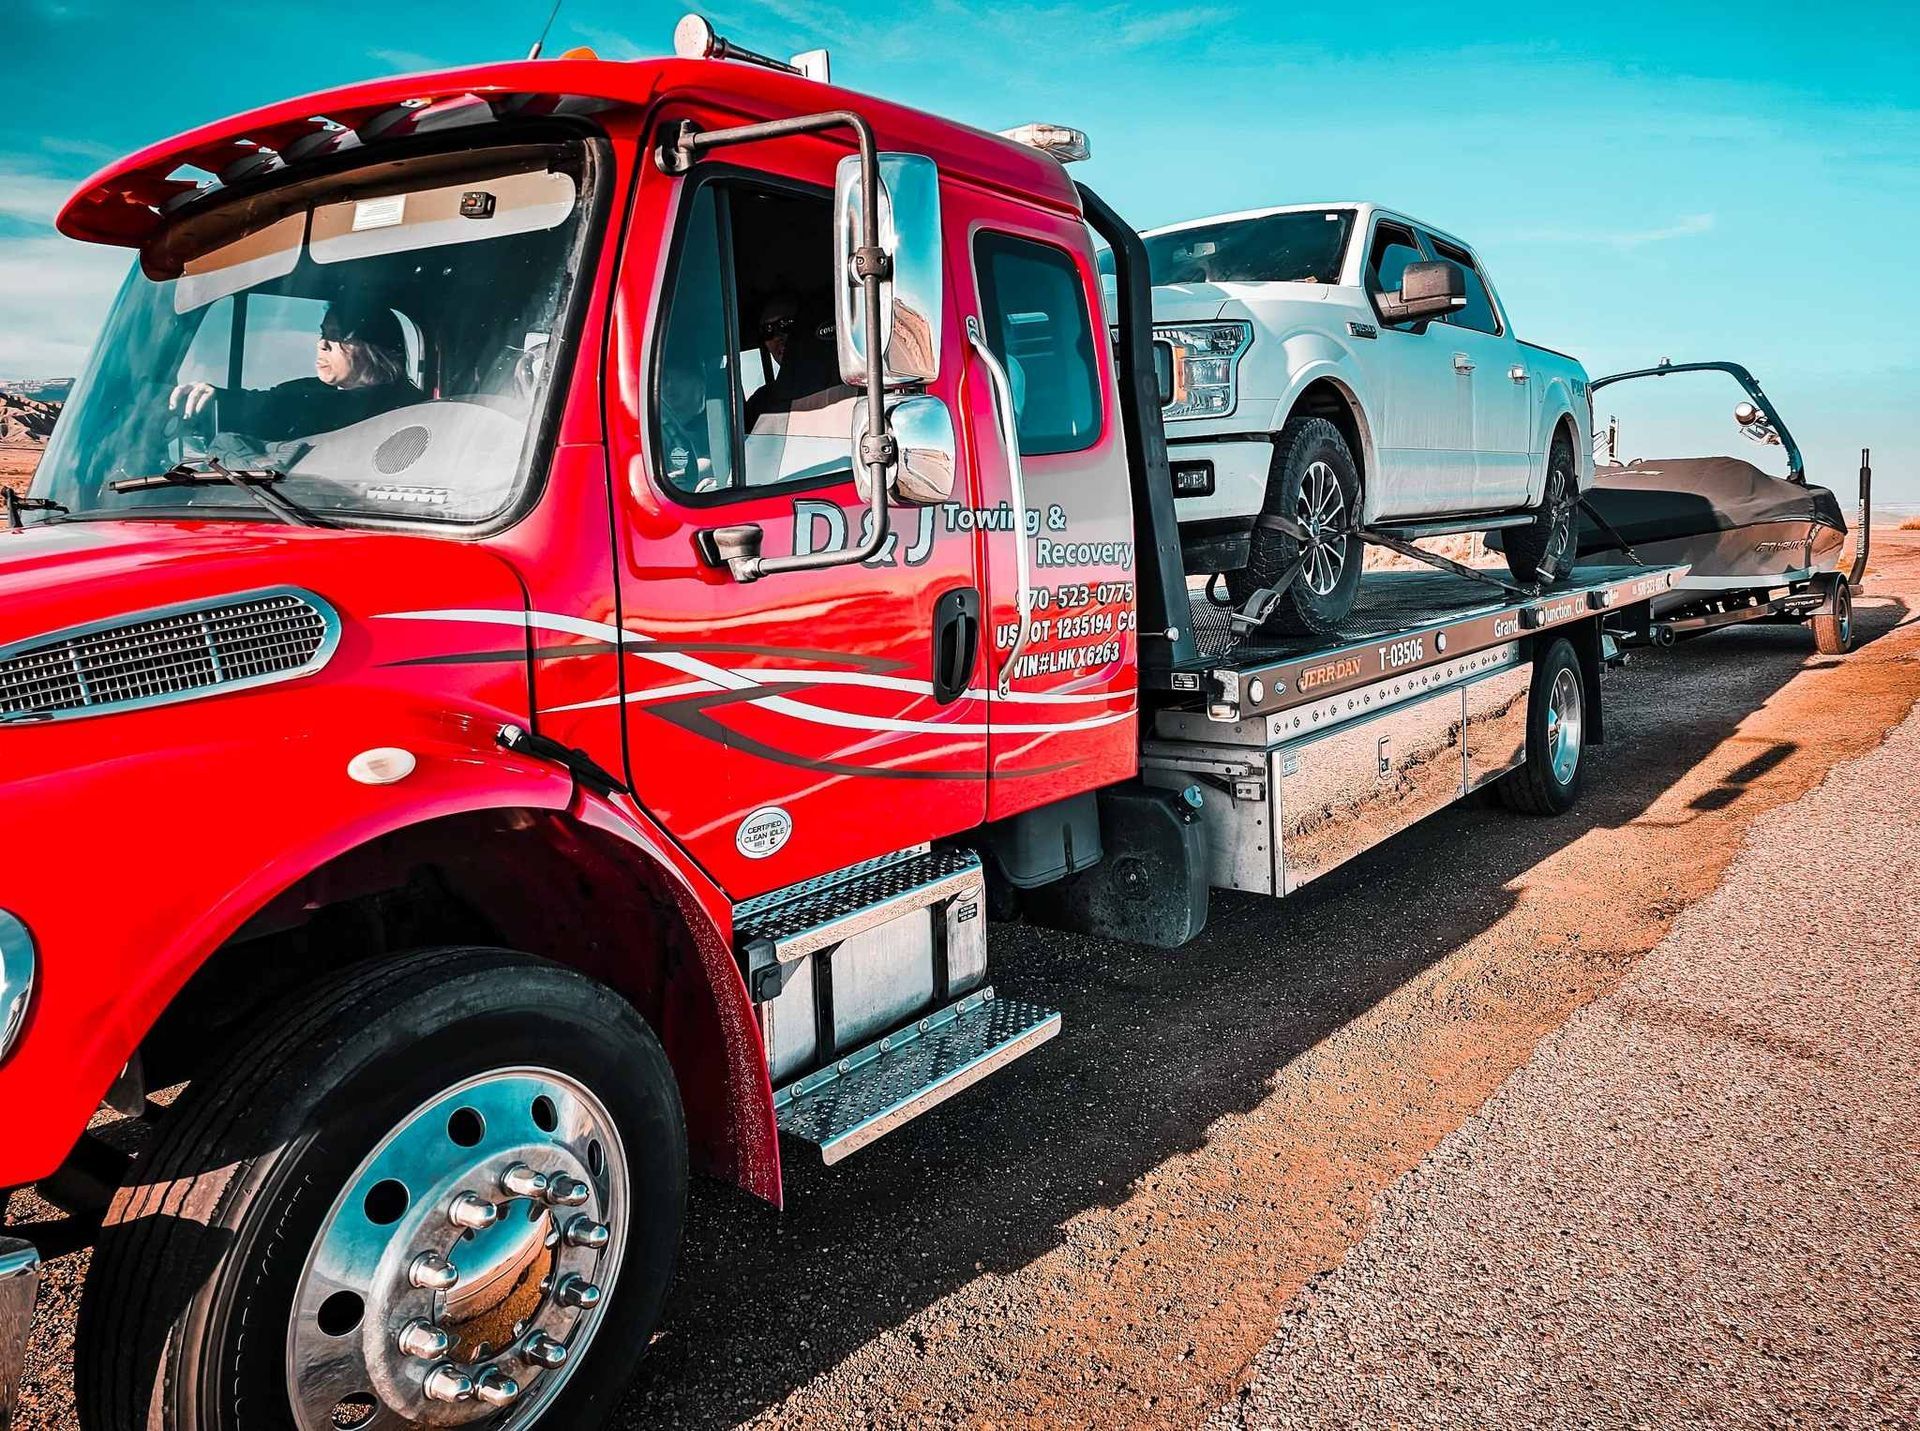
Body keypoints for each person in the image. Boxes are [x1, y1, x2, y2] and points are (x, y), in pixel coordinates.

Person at [167, 298, 421, 442]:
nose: (322, 344)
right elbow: (274, 401)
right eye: (323, 333)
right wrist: (200, 407)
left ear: (374, 347)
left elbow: (291, 410)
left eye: (337, 336)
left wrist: (224, 402)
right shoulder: (305, 389)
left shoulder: (403, 406)